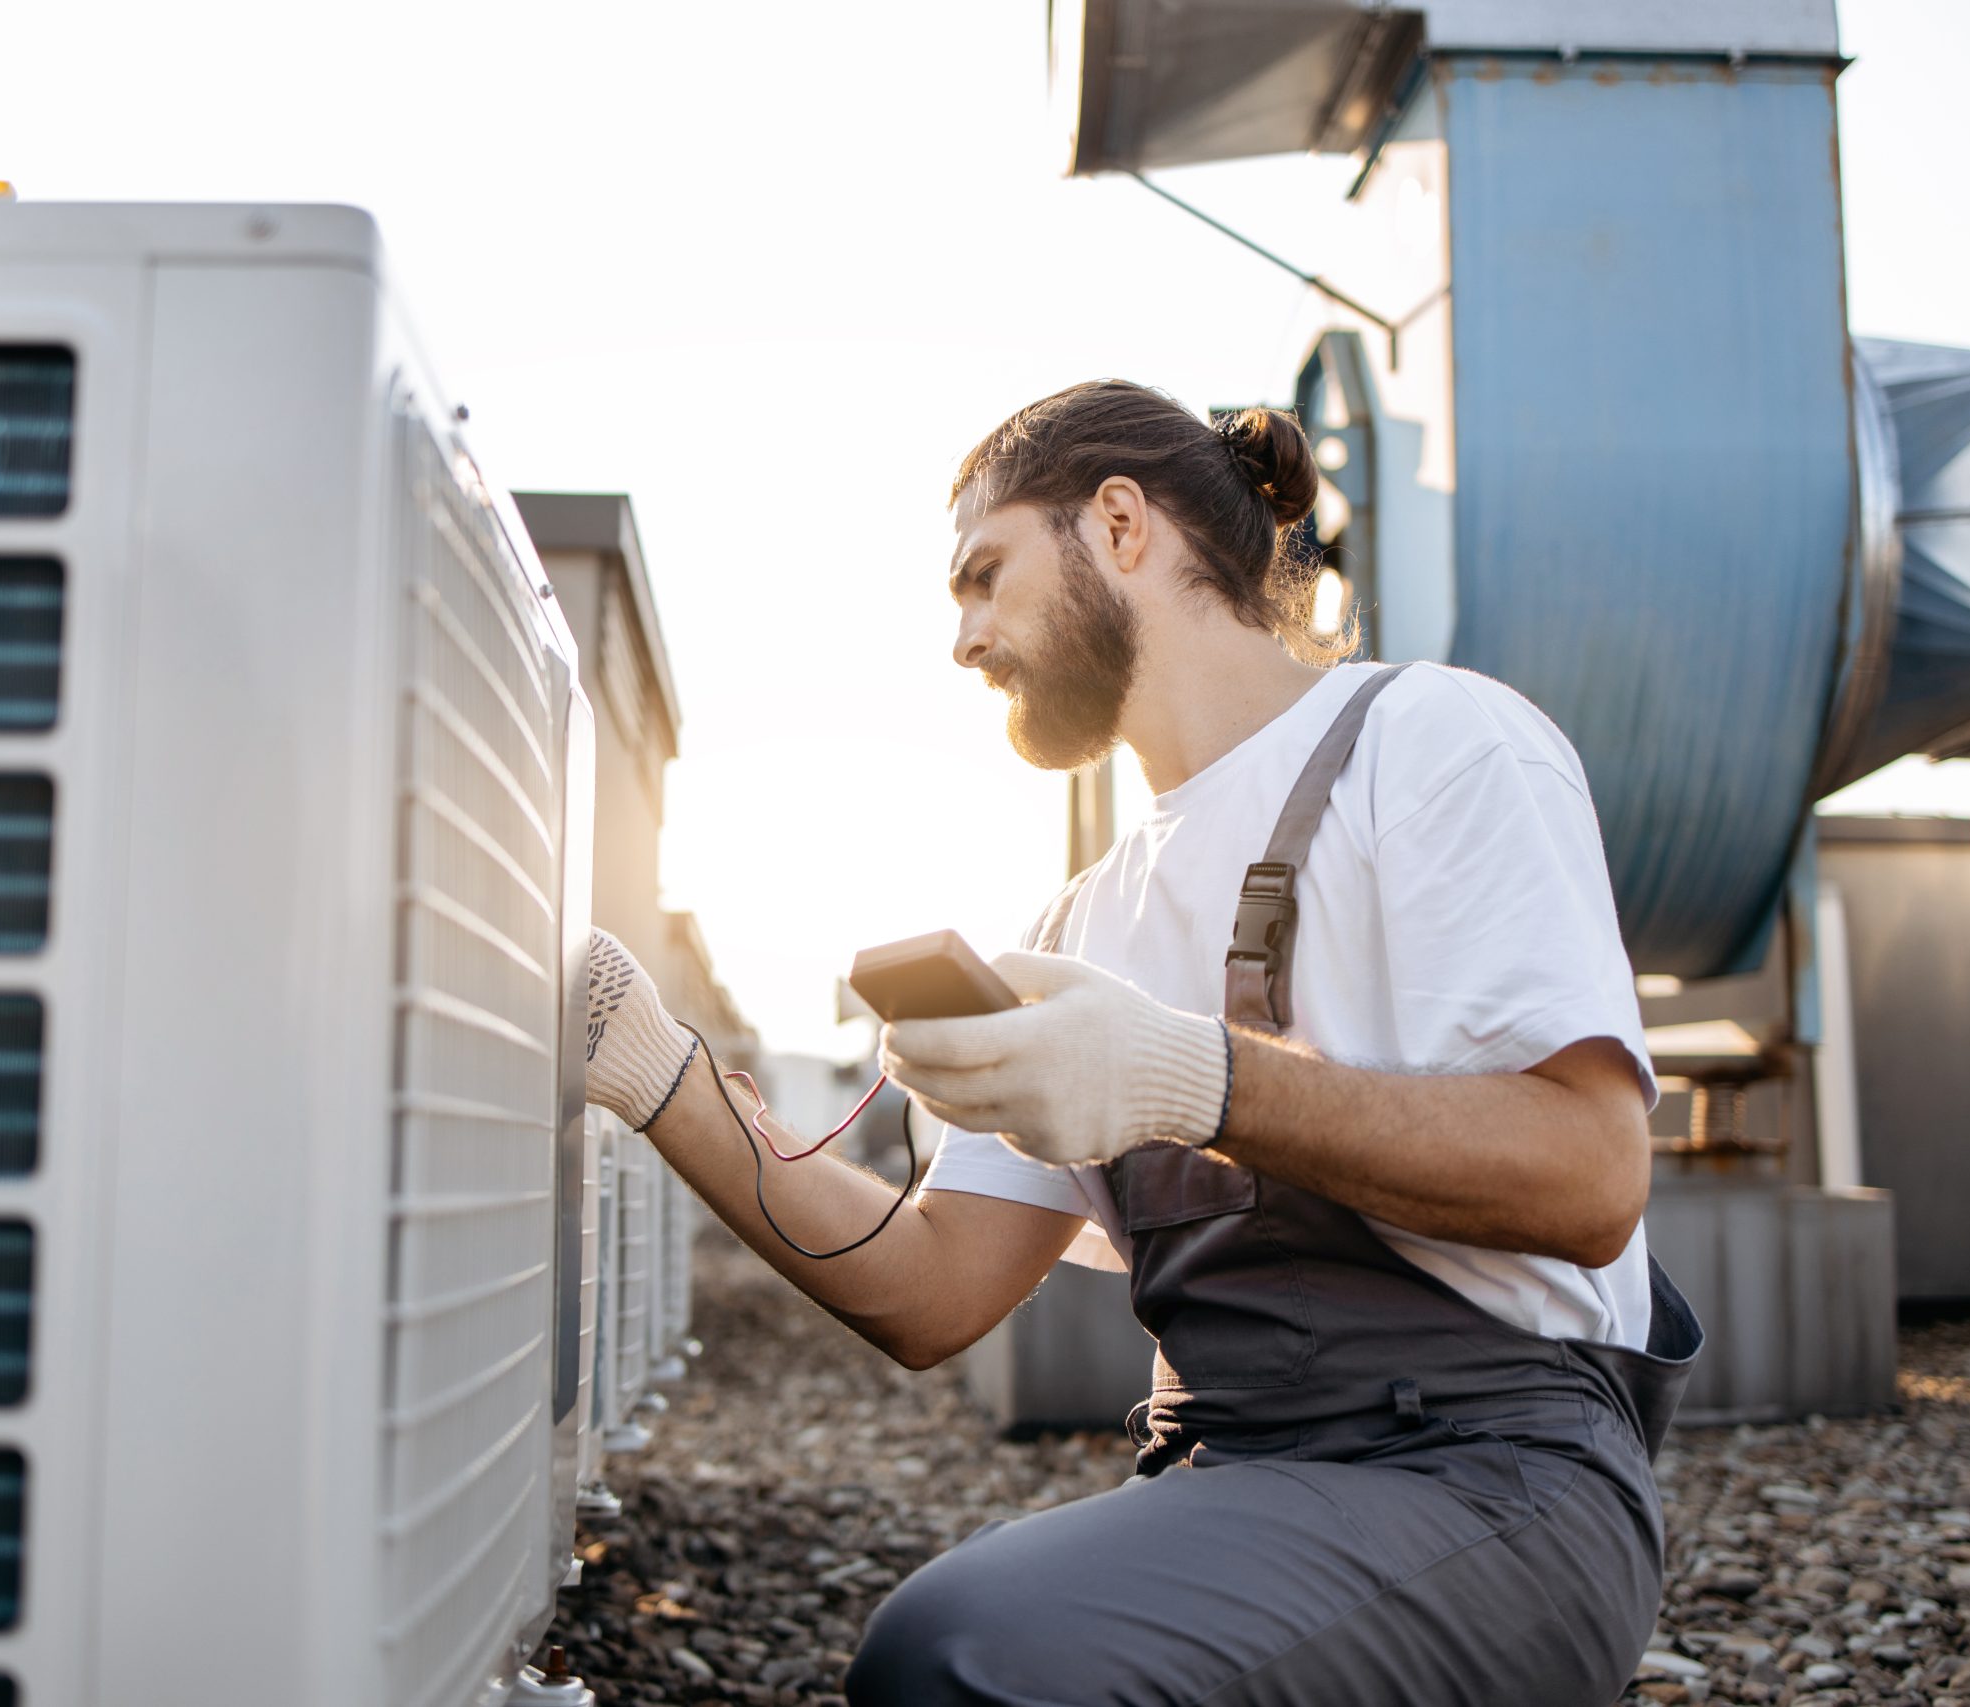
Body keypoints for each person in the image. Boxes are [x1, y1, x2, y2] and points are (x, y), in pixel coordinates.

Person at [582, 380, 1700, 1706]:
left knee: (962, 1658)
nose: (962, 640)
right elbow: (929, 1290)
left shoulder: (1439, 744)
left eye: (983, 576)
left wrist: (1184, 1076)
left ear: (1120, 525)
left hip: (1496, 1477)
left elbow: (1589, 1176)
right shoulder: (1085, 917)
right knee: (942, 1637)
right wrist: (656, 1073)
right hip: (1232, 1477)